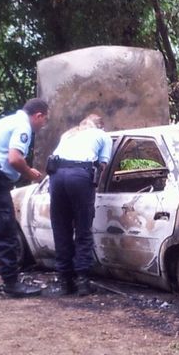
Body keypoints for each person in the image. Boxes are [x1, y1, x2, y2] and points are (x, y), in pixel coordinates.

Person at [0, 98, 48, 298]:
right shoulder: (23, 126)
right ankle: (12, 284)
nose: (42, 125)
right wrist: (30, 173)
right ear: (38, 115)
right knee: (6, 231)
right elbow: (14, 158)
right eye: (44, 120)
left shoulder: (5, 121)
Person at [48, 114, 112, 296]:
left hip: (56, 177)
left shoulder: (68, 135)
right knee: (83, 228)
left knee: (61, 228)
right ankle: (83, 282)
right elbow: (102, 166)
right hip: (79, 175)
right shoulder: (102, 136)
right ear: (101, 126)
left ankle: (64, 282)